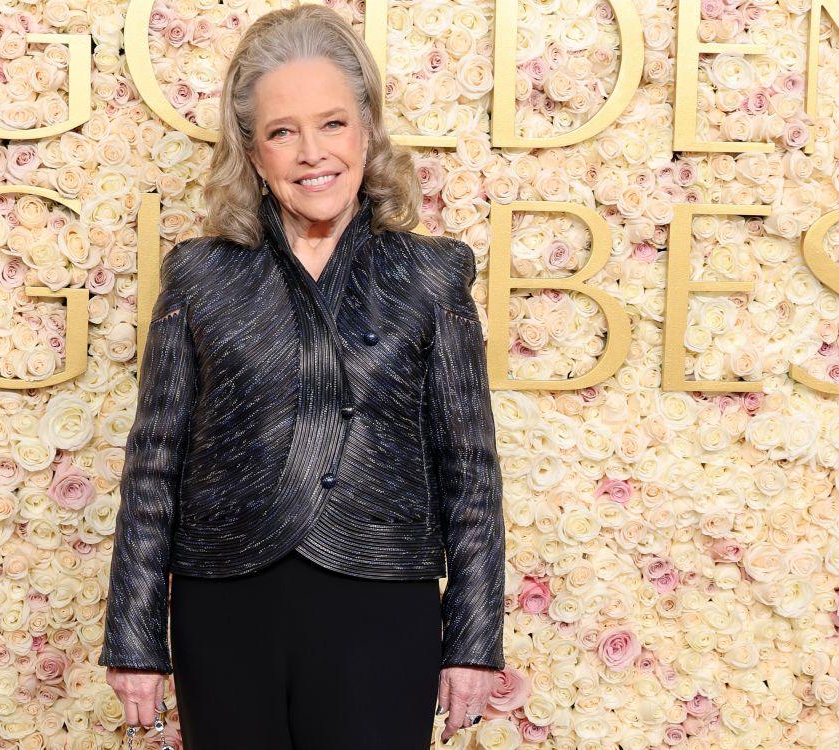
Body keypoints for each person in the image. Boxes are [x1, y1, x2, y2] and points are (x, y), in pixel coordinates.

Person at [98, 5, 505, 749]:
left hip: (382, 604)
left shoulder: (430, 275)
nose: (312, 153)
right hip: (225, 607)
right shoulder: (199, 275)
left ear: (368, 131)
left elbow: (469, 471)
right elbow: (153, 465)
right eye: (282, 132)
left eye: (333, 124)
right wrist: (134, 640)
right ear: (252, 153)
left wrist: (473, 640)